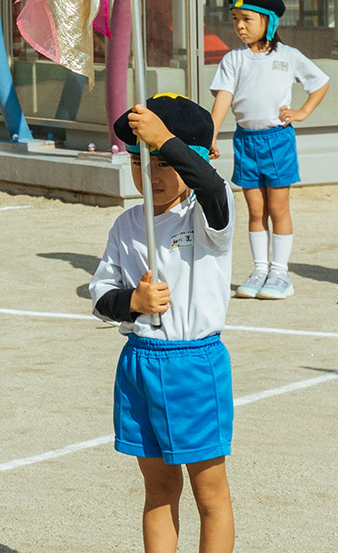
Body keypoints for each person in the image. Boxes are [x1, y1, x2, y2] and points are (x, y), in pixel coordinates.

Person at [90, 94, 236, 553]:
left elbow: (211, 187)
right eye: (139, 160)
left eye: (163, 162)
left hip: (194, 364)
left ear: (195, 160)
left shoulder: (210, 214)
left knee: (208, 492)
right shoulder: (127, 224)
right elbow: (100, 296)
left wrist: (166, 141)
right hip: (140, 363)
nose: (151, 174)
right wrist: (132, 301)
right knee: (158, 490)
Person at [207, 0, 327, 301]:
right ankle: (260, 270)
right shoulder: (233, 60)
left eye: (247, 18)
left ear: (270, 21)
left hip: (277, 141)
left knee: (278, 208)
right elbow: (223, 100)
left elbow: (320, 82)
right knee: (255, 209)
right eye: (235, 19)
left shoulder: (289, 56)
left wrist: (303, 111)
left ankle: (280, 274)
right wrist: (211, 134)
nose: (240, 26)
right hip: (246, 141)